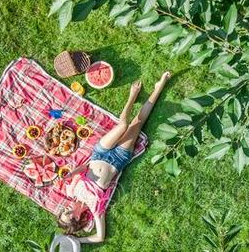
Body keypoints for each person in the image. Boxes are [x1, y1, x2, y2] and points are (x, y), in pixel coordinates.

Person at [55, 71, 171, 243]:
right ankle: (158, 87)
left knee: (123, 124)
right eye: (68, 213)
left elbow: (85, 168)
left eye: (64, 210)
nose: (67, 208)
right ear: (77, 218)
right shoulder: (95, 208)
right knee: (137, 123)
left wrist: (73, 173)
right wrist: (78, 241)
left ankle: (132, 96)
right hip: (118, 158)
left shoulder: (72, 191)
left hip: (99, 154)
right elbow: (100, 237)